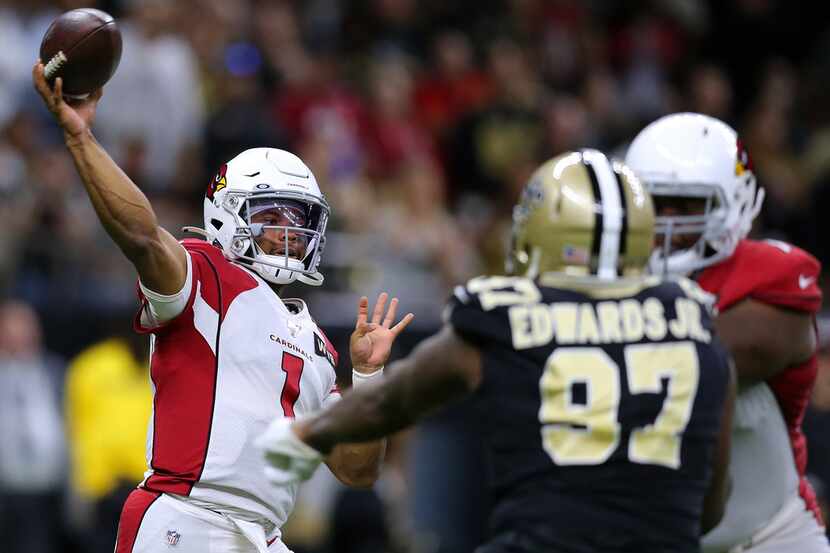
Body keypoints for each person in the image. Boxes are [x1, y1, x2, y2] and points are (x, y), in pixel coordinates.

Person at [258, 149, 737, 553]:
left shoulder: (508, 315)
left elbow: (393, 401)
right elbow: (711, 505)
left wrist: (306, 432)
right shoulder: (695, 320)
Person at [32, 63, 412, 553]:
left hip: (264, 536)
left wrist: (366, 378)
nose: (288, 232)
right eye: (272, 215)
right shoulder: (206, 275)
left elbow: (357, 469)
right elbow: (143, 236)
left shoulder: (315, 341)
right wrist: (81, 139)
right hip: (186, 515)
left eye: (299, 219)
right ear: (227, 213)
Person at [625, 112, 830, 553]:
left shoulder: (770, 275)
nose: (667, 222)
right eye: (655, 202)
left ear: (734, 202)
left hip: (769, 537)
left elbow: (707, 356)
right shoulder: (605, 272)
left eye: (686, 205)